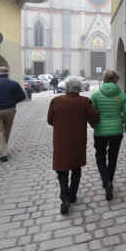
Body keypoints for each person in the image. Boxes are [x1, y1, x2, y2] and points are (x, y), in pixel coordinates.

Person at [47, 76, 100, 214]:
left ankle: (64, 197)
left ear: (66, 88)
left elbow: (50, 120)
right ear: (79, 88)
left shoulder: (56, 101)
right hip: (78, 140)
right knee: (76, 169)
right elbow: (95, 118)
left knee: (62, 170)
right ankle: (72, 195)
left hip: (61, 140)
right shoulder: (84, 101)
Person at [90, 69, 126, 201]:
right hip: (116, 133)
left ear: (104, 79)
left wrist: (93, 125)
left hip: (100, 132)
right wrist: (120, 122)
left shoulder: (95, 95)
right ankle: (110, 181)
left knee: (100, 157)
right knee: (112, 158)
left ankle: (106, 182)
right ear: (116, 80)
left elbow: (91, 114)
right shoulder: (122, 95)